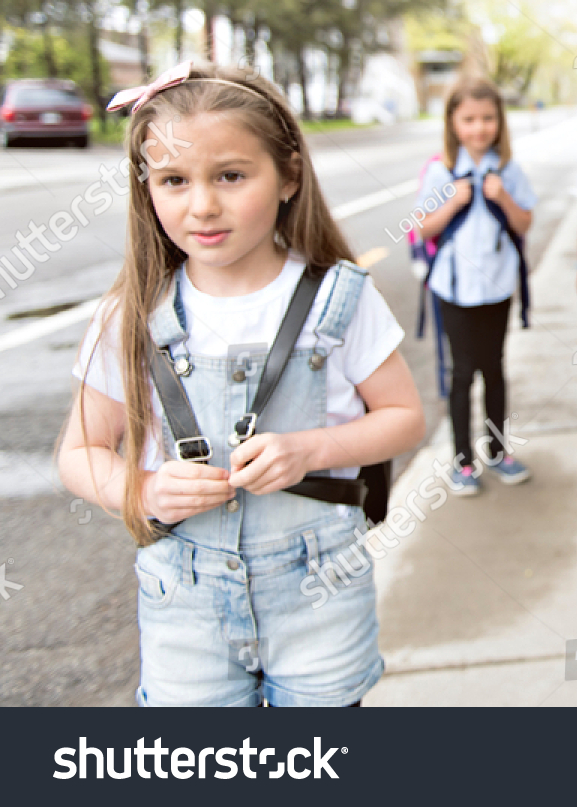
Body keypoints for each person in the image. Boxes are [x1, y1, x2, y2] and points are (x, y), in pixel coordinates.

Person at [57, 62, 425, 707]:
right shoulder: (130, 315)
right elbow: (79, 453)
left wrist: (311, 450)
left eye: (230, 175)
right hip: (185, 607)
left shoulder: (335, 298)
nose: (201, 204)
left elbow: (402, 418)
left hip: (320, 593)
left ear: (288, 175)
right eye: (173, 180)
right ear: (146, 189)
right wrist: (140, 488)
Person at [416, 77, 537, 495]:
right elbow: (422, 228)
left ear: (499, 122)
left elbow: (524, 223)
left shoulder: (508, 170)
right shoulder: (440, 170)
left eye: (487, 118)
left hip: (498, 287)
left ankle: (499, 451)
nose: (479, 127)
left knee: (495, 369)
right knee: (462, 373)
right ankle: (462, 460)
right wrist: (452, 201)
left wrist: (502, 197)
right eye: (469, 119)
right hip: (454, 289)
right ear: (453, 122)